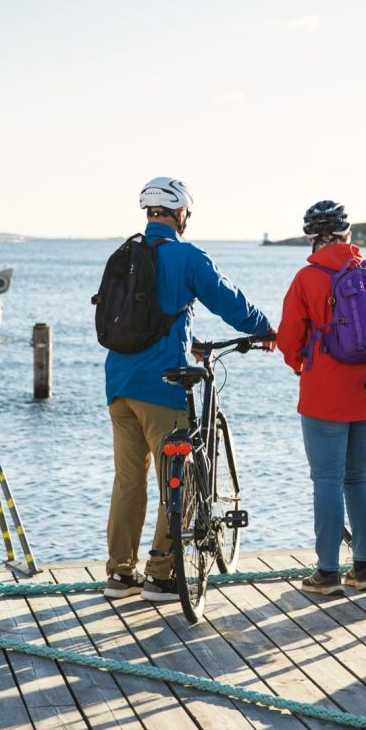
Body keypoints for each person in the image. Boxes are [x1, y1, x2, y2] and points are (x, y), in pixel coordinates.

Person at [103, 177, 275, 601]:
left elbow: (143, 318)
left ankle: (120, 575)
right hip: (163, 390)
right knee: (175, 481)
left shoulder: (124, 254)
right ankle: (161, 575)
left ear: (149, 213)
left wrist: (189, 343)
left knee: (128, 480)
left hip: (119, 386)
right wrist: (265, 329)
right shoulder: (186, 255)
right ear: (181, 215)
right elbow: (227, 299)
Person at [276, 200, 366, 595]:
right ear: (348, 235)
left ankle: (326, 572)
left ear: (311, 237)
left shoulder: (307, 277)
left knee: (326, 479)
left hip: (324, 394)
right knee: (358, 477)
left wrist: (300, 365)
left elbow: (289, 339)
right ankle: (363, 567)